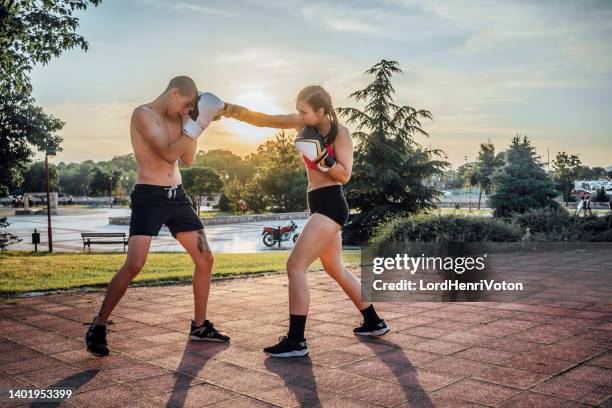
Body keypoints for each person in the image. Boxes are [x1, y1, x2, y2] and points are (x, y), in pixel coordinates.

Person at [222, 85, 389, 358]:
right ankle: (374, 322)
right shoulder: (303, 123)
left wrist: (322, 157)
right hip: (318, 205)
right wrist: (229, 109)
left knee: (295, 265)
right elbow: (268, 120)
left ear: (320, 111)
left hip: (332, 204)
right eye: (297, 110)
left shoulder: (340, 134)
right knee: (335, 268)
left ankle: (296, 341)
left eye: (304, 111)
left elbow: (345, 176)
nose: (298, 116)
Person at [85, 76, 229, 357]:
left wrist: (196, 120)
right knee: (135, 263)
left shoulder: (181, 118)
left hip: (177, 196)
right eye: (187, 104)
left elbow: (187, 160)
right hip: (149, 196)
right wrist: (198, 123)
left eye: (191, 107)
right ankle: (98, 324)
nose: (187, 110)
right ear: (174, 93)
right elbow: (166, 153)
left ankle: (199, 325)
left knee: (205, 258)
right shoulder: (143, 115)